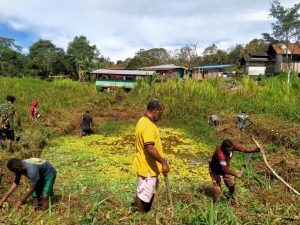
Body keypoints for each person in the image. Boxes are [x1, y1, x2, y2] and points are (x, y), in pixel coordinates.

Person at [132, 98, 170, 213]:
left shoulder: (142, 121)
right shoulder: (148, 125)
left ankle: (141, 214)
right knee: (144, 196)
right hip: (147, 166)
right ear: (155, 110)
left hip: (147, 165)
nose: (160, 115)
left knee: (145, 193)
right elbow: (150, 148)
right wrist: (163, 162)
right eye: (160, 112)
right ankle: (139, 216)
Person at [209, 139, 260, 205]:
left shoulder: (233, 145)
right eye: (228, 150)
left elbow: (243, 149)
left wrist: (254, 150)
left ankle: (234, 202)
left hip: (226, 167)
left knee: (231, 184)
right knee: (217, 188)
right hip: (214, 169)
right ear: (224, 148)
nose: (230, 151)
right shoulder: (220, 154)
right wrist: (236, 174)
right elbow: (225, 170)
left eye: (231, 149)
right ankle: (216, 205)